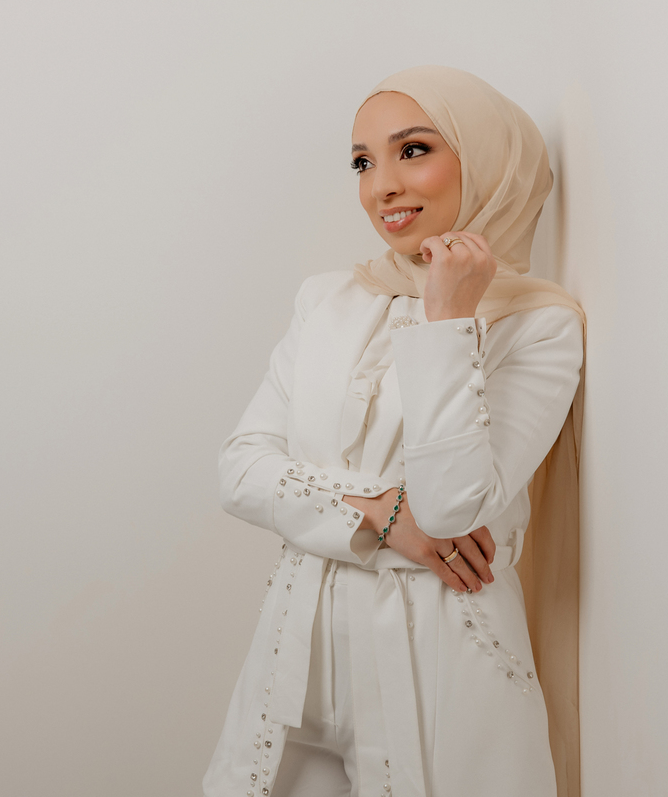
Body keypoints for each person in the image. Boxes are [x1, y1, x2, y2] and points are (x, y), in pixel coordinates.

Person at [204, 65, 586, 797]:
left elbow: (452, 506)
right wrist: (380, 516)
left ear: (488, 161)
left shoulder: (540, 326)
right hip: (297, 658)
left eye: (413, 150)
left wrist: (447, 321)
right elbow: (240, 469)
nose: (381, 186)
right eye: (363, 162)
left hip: (445, 670)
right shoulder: (328, 300)